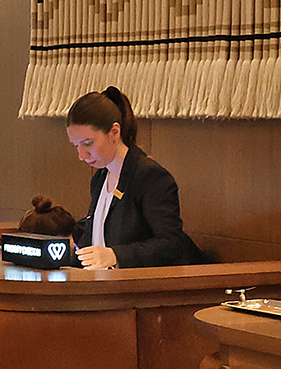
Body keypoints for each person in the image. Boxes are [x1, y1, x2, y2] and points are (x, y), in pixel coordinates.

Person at [64, 87, 203, 268]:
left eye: (88, 143)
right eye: (76, 146)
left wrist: (116, 255)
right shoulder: (100, 178)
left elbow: (171, 244)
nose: (82, 155)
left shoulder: (150, 177)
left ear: (114, 132)